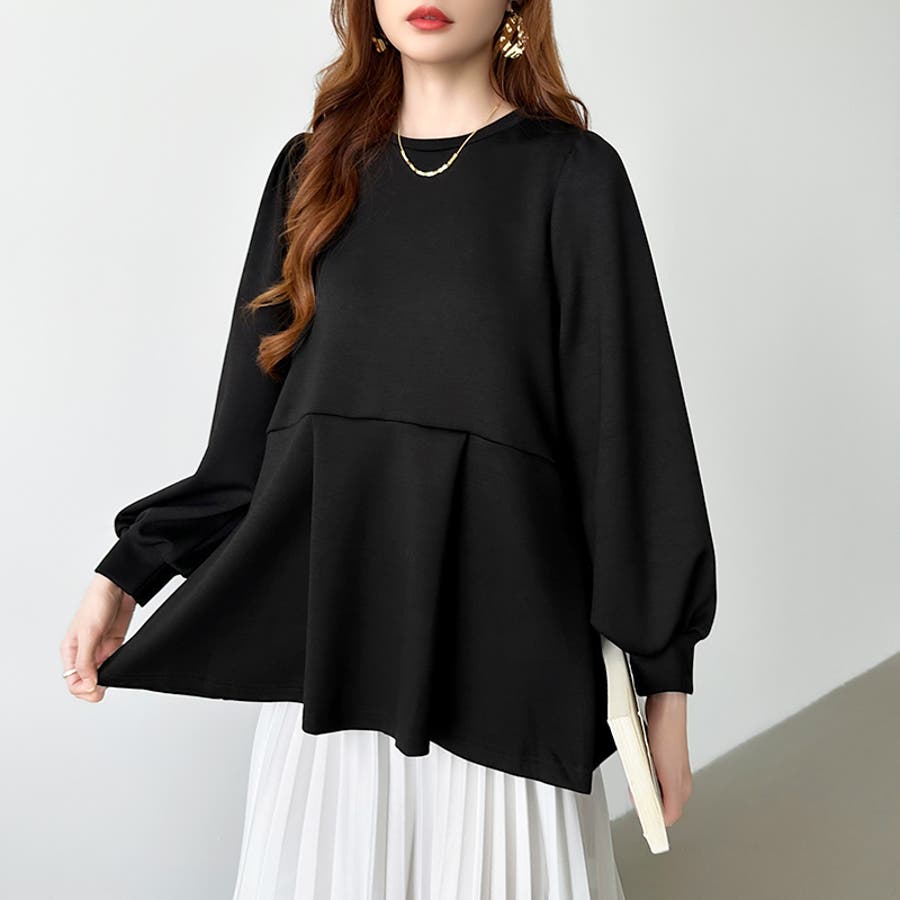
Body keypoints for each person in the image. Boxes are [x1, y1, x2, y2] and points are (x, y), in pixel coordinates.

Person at [60, 1, 717, 897]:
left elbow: (632, 447)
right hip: (332, 669)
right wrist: (126, 573)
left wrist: (666, 691)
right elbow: (246, 449)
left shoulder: (572, 175)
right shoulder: (309, 173)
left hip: (506, 671)